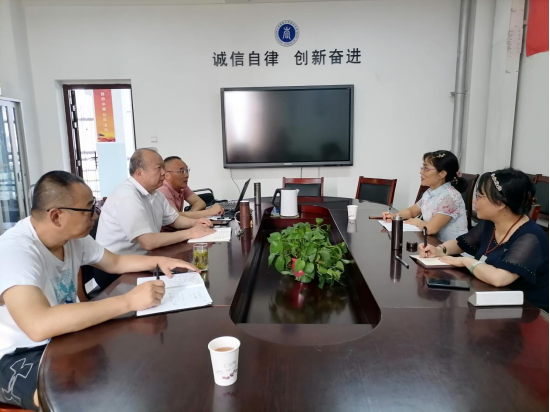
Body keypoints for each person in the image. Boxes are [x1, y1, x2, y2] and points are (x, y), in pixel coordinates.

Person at [0, 171, 200, 410]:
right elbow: (38, 325)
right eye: (88, 209)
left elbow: (115, 262)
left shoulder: (73, 238)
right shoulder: (16, 251)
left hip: (65, 335)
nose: (96, 215)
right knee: (73, 397)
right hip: (19, 353)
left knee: (130, 368)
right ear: (56, 216)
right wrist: (128, 302)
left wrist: (160, 261)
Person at [419, 168, 549, 311]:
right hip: (494, 300)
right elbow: (460, 243)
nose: (474, 200)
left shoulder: (530, 237)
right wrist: (438, 250)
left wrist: (465, 261)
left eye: (480, 196)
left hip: (527, 312)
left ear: (500, 203)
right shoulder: (491, 223)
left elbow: (499, 278)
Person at [96, 148, 215, 255]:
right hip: (117, 266)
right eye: (159, 168)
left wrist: (196, 223)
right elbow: (148, 242)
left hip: (144, 257)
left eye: (163, 167)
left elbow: (175, 219)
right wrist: (190, 233)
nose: (164, 172)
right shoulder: (127, 196)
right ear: (139, 173)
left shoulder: (155, 193)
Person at [382, 150, 469, 242]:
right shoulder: (430, 192)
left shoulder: (451, 197)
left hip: (452, 249)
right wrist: (395, 216)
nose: (421, 172)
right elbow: (412, 211)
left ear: (442, 174)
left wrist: (417, 222)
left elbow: (430, 229)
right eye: (422, 168)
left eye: (426, 169)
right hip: (434, 244)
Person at [158, 156, 225, 218]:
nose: (186, 175)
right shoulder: (163, 190)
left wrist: (189, 214)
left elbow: (200, 203)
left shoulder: (181, 186)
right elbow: (175, 217)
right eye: (181, 171)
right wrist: (209, 212)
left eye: (186, 170)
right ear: (167, 175)